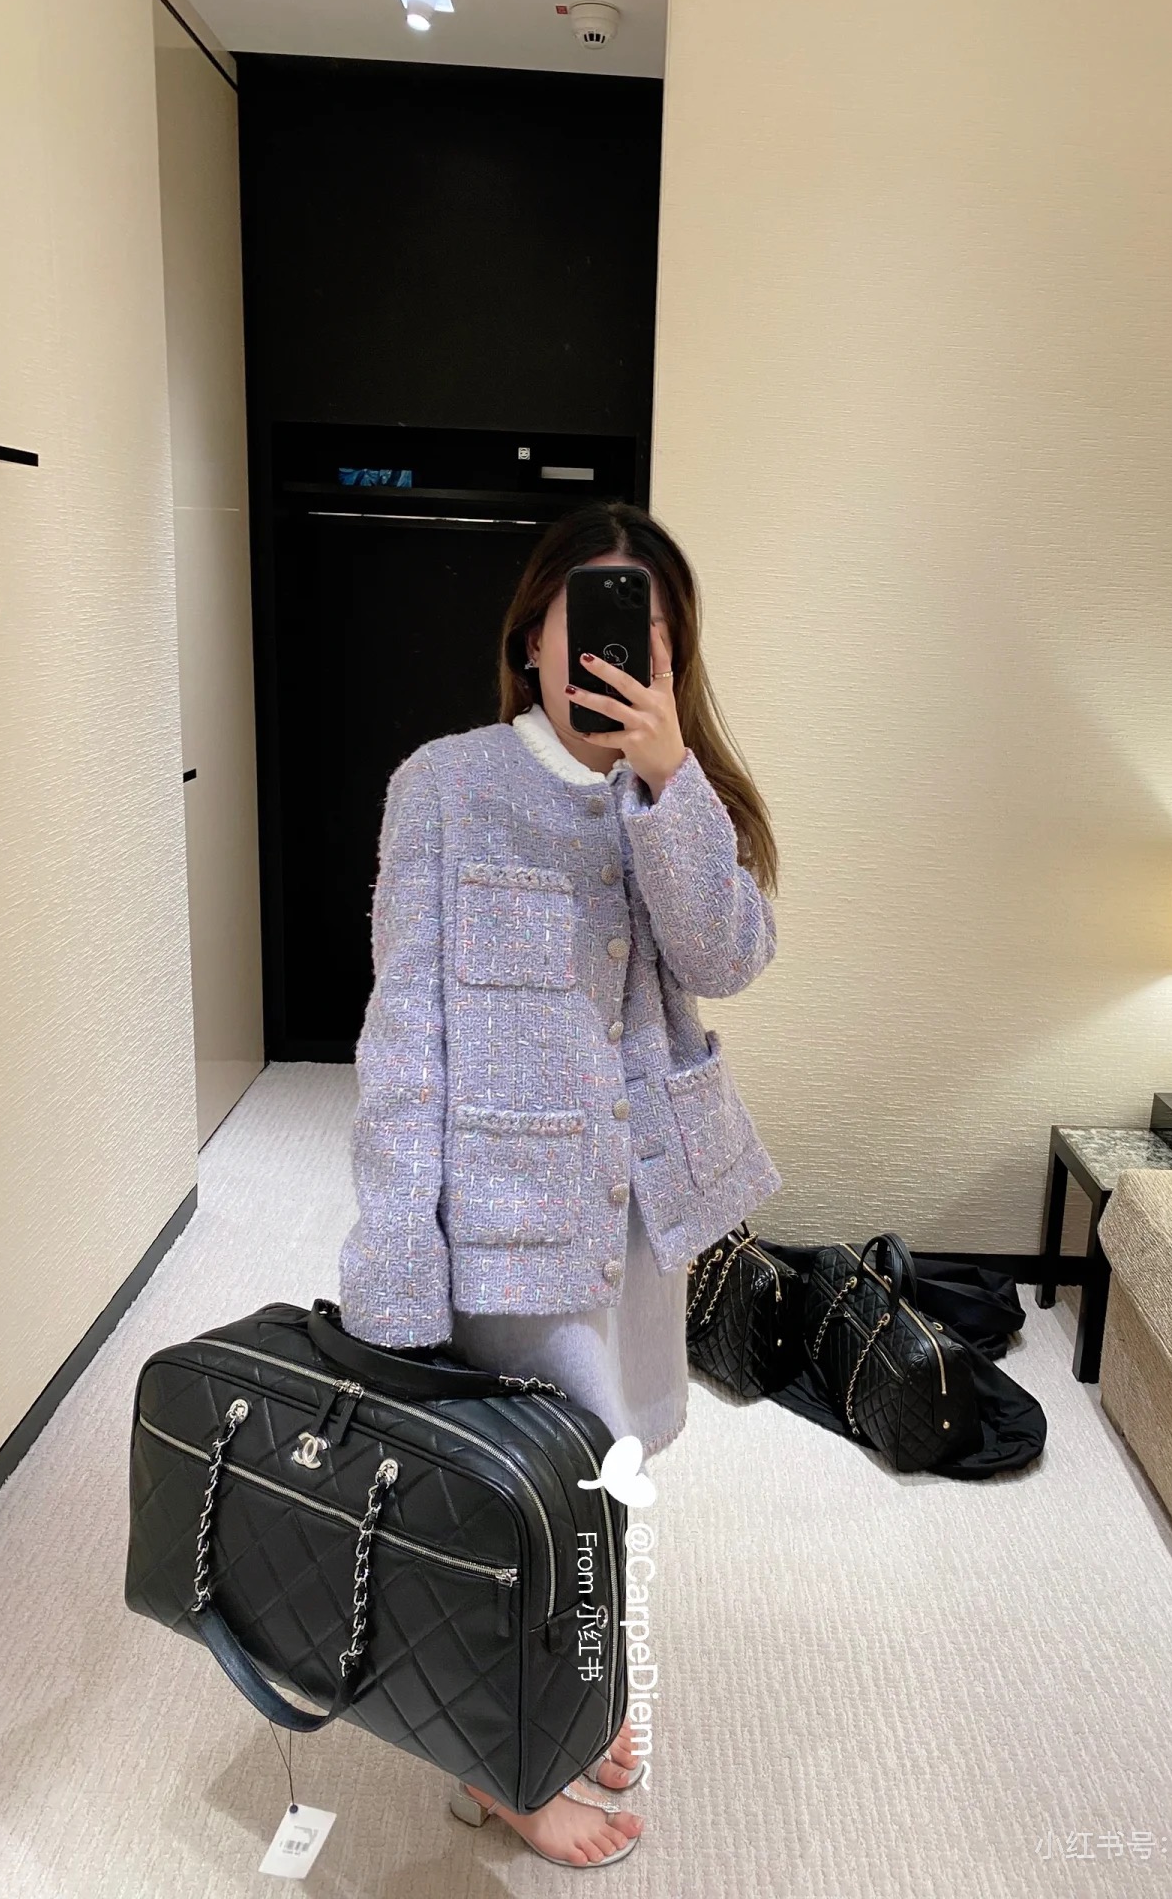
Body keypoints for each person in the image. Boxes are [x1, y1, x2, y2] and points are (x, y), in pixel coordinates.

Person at [337, 499, 783, 1867]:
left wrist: (669, 782)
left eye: (646, 632)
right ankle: (511, 1768)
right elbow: (405, 1029)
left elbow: (727, 959)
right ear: (530, 635)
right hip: (507, 1219)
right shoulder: (445, 787)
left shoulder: (678, 794)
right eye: (583, 617)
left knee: (601, 1485)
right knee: (518, 1502)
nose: (610, 650)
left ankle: (548, 1718)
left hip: (637, 1217)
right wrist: (398, 1259)